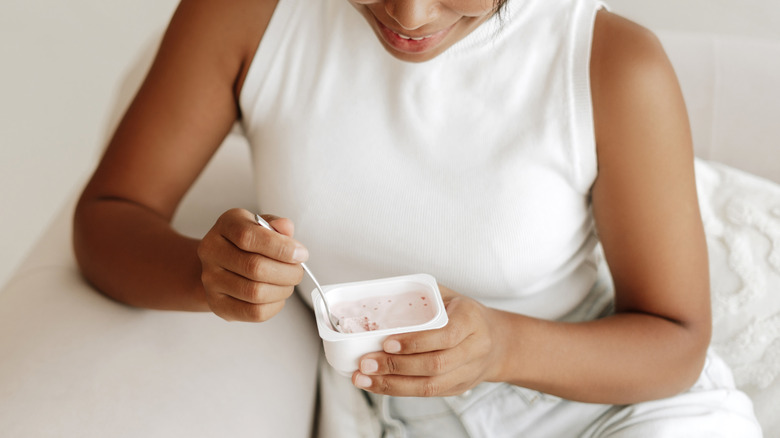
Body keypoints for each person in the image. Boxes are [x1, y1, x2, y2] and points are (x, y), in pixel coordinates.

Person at [73, 0, 763, 436]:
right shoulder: (246, 16)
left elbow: (676, 344)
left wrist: (500, 348)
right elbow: (107, 219)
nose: (407, 15)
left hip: (614, 407)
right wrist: (205, 273)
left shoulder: (610, 63)